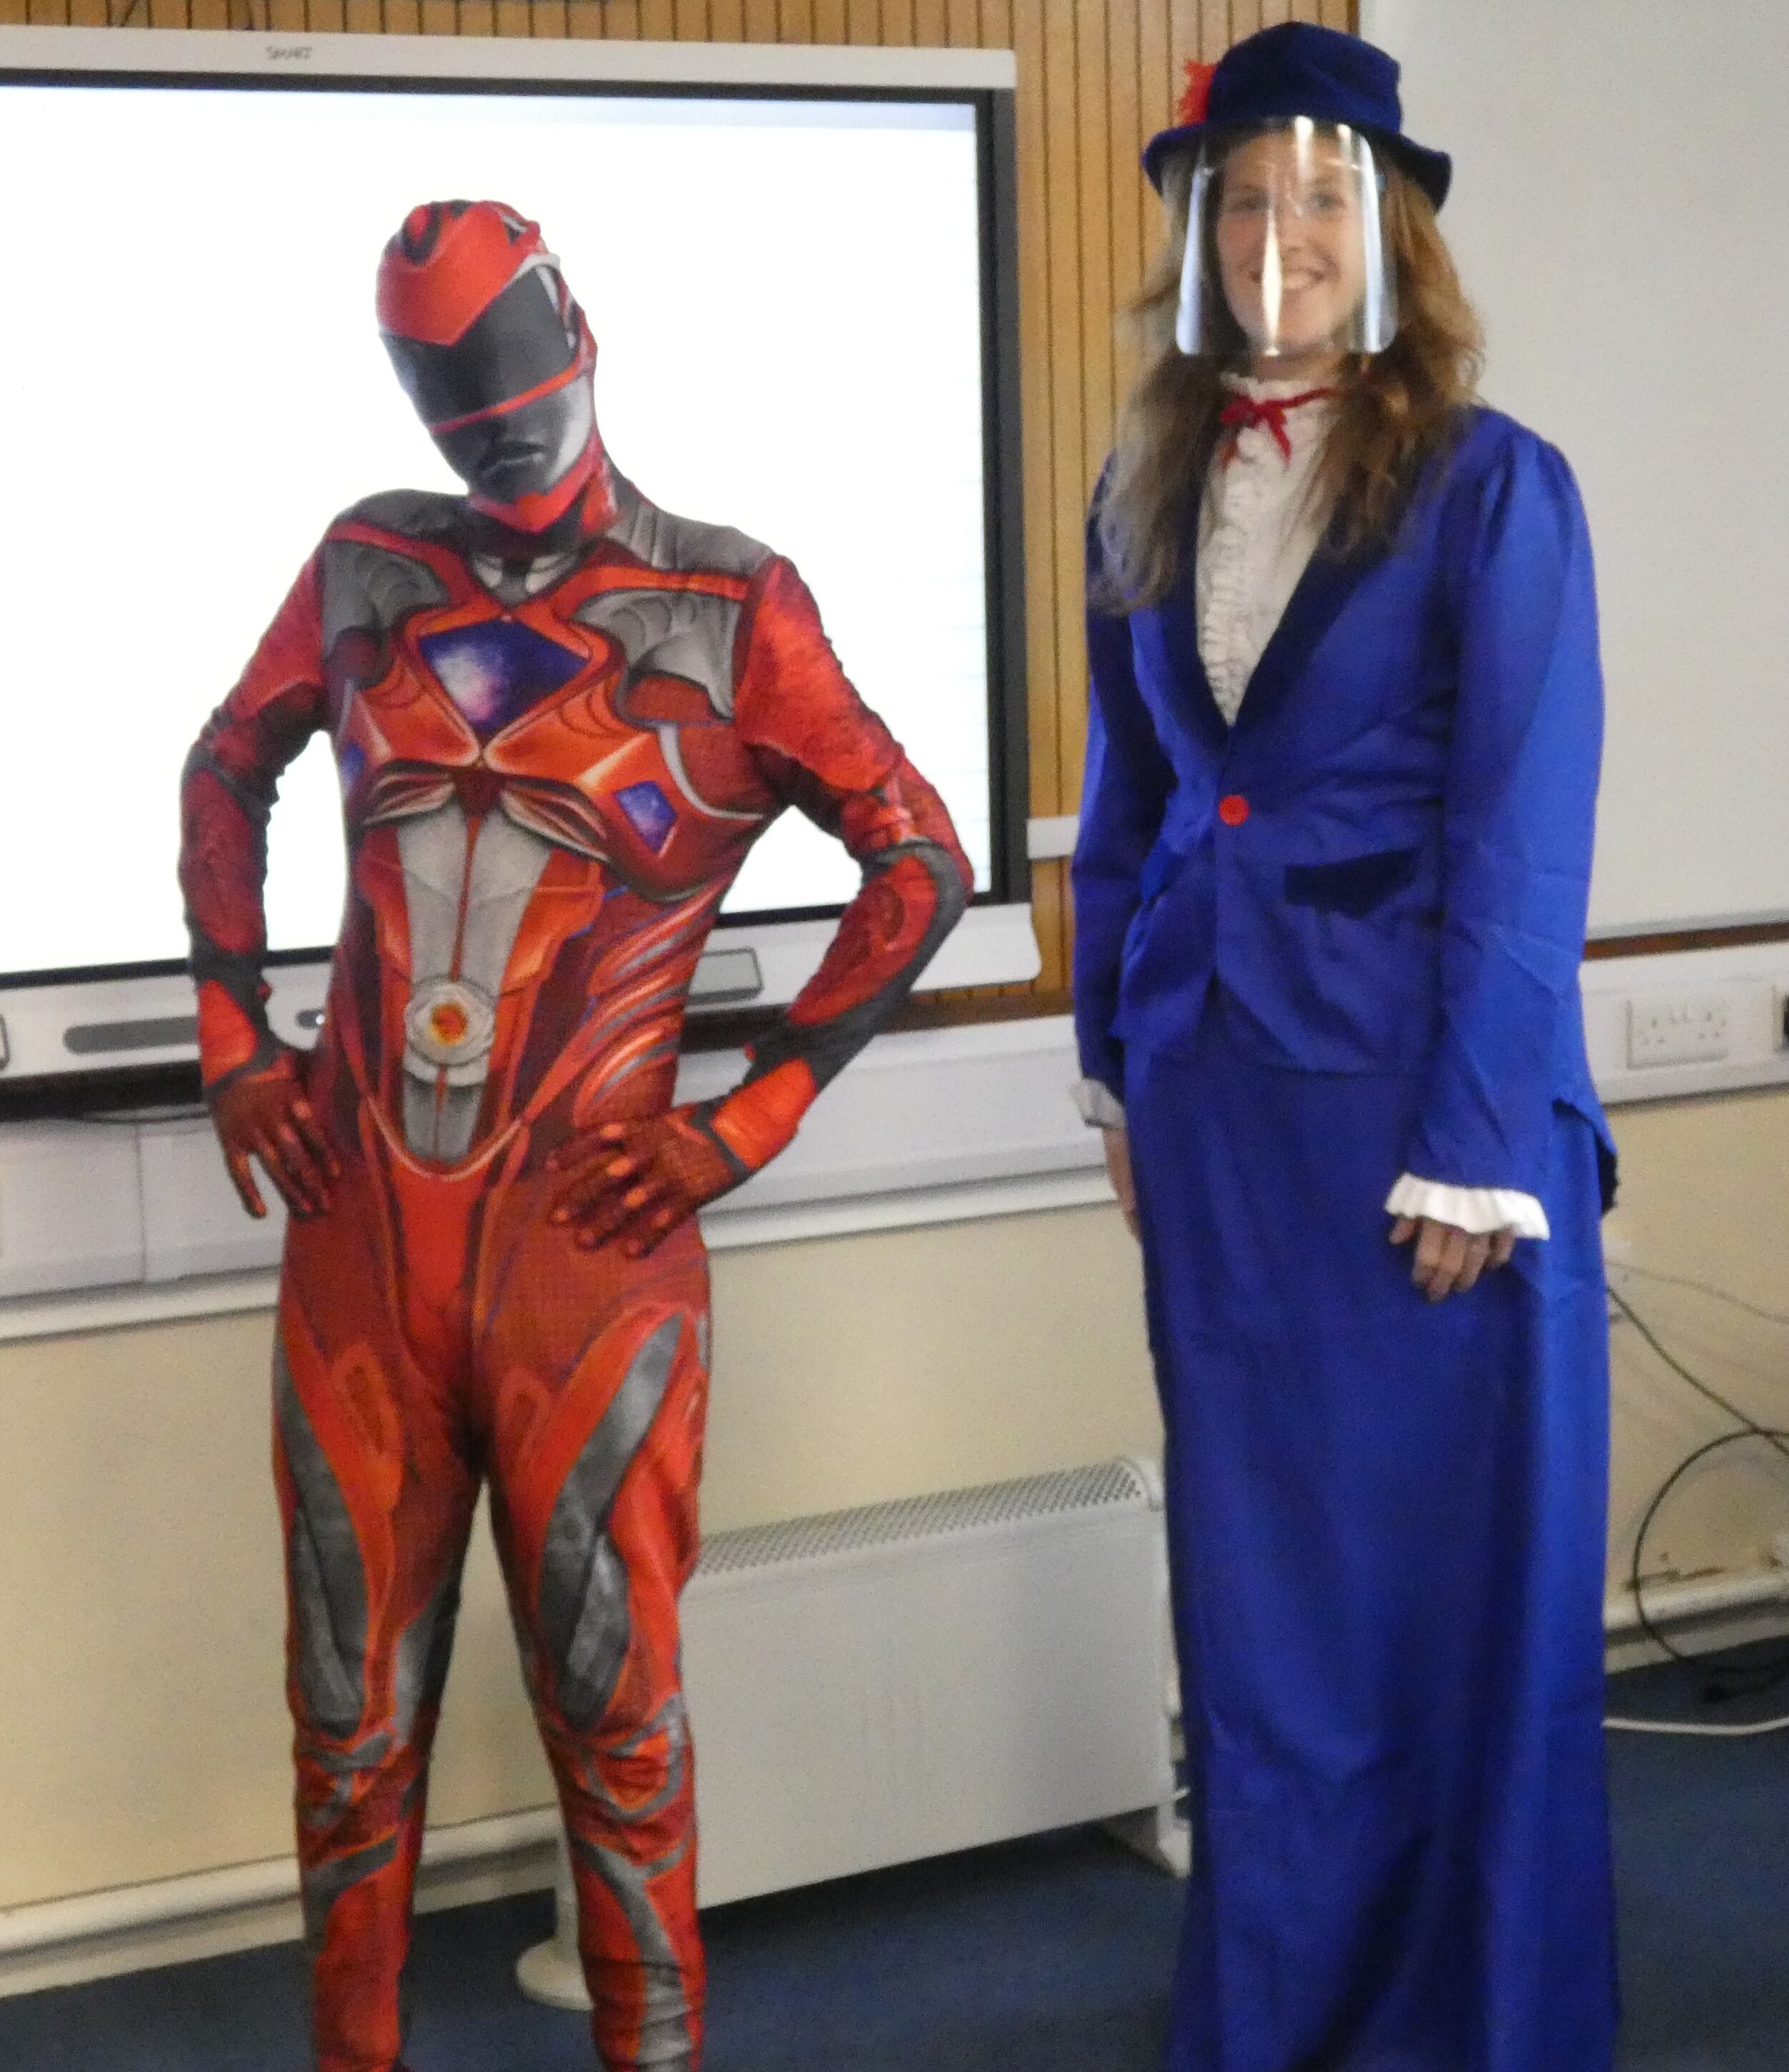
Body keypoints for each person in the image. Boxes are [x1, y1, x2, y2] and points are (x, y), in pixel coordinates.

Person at [177, 198, 970, 2072]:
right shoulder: (367, 563)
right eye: (450, 394)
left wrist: (740, 1125)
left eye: (517, 369)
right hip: (361, 1250)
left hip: (587, 1261)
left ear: (582, 330)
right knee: (343, 1723)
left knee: (618, 1726)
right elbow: (227, 762)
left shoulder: (725, 601)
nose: (497, 419)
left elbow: (919, 862)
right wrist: (233, 1045)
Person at [1071, 24, 1618, 2071]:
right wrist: (1117, 1064)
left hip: (1421, 1126)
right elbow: (1128, 812)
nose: (1274, 234)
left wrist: (1478, 1134)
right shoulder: (1144, 480)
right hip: (1219, 1118)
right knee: (1263, 1628)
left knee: (1440, 1621)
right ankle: (1281, 2023)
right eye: (1239, 198)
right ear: (1197, 233)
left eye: (1318, 196)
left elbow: (1519, 823)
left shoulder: (1496, 488)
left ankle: (1459, 2028)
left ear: (1386, 235)